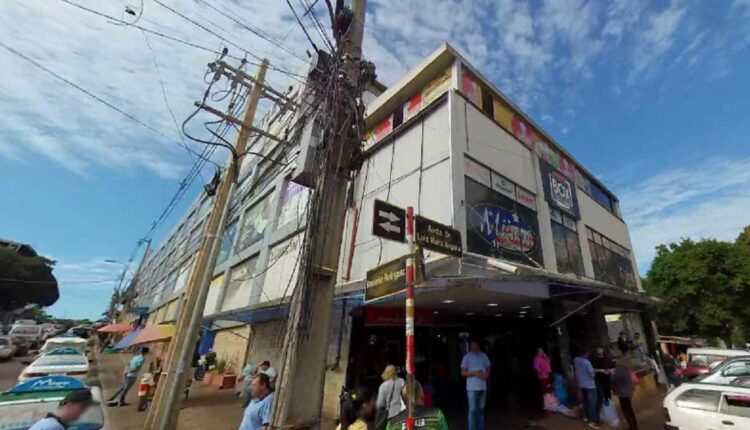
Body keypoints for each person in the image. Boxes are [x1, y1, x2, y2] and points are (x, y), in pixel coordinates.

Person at [460, 339, 490, 430]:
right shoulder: (467, 357)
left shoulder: (484, 356)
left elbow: (488, 368)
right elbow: (463, 373)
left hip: (482, 387)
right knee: (472, 411)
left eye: (474, 345)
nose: (472, 347)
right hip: (472, 388)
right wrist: (475, 373)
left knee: (480, 410)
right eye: (471, 345)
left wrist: (486, 374)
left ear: (478, 346)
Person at [29, 389, 95, 430]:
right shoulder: (55, 427)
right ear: (69, 405)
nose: (83, 412)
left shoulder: (46, 422)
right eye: (82, 407)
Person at [574, 348, 600, 429]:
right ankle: (593, 421)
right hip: (590, 386)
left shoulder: (576, 360)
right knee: (592, 403)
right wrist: (594, 372)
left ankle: (586, 417)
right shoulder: (587, 362)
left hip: (582, 385)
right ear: (586, 353)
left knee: (585, 401)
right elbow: (592, 375)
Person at [612, 356, 639, 430]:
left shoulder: (617, 371)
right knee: (630, 409)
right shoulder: (627, 370)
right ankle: (634, 425)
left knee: (626, 410)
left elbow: (613, 380)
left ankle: (632, 426)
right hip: (629, 392)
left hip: (622, 393)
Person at [590, 346, 615, 412]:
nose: (600, 351)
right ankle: (600, 409)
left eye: (600, 350)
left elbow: (613, 367)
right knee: (600, 394)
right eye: (598, 350)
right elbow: (592, 369)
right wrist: (601, 370)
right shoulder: (594, 360)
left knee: (608, 393)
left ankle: (610, 407)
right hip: (598, 380)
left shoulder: (607, 358)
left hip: (607, 379)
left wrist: (610, 371)